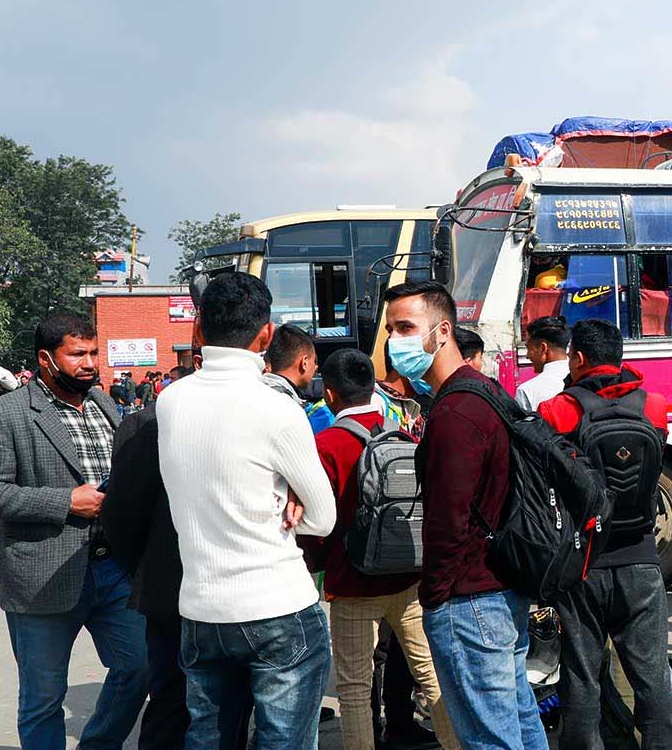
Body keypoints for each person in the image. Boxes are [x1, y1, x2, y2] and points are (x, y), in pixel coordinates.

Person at [157, 272, 337, 749]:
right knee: (285, 741)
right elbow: (322, 518)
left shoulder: (170, 401)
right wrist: (286, 496)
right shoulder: (277, 409)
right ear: (265, 335)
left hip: (201, 609)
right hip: (277, 605)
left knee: (209, 737)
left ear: (197, 331)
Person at [0, 313, 150, 749]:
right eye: (77, 354)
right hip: (42, 577)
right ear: (46, 359)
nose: (89, 363)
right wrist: (64, 501)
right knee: (43, 698)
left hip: (114, 570)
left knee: (139, 668)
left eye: (93, 352)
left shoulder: (106, 404)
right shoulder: (6, 415)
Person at [382, 280, 547, 750]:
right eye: (392, 329)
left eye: (408, 327)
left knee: (490, 738)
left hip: (469, 599)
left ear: (442, 331)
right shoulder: (484, 391)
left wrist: (434, 599)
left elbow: (448, 520)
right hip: (499, 588)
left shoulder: (456, 412)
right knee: (517, 723)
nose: (397, 340)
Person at [300, 348, 460, 750]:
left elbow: (319, 524)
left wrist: (317, 563)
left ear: (330, 395)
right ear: (373, 388)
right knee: (431, 675)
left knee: (355, 688)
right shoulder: (404, 435)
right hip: (409, 581)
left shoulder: (327, 446)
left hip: (352, 585)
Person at [536, 319, 672, 750]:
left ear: (577, 358)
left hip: (583, 563)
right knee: (652, 672)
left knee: (582, 675)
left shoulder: (556, 411)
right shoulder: (653, 405)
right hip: (641, 557)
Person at [102, 361, 255, 750]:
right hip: (178, 591)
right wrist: (147, 568)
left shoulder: (251, 412)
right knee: (182, 698)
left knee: (215, 699)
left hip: (210, 589)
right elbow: (122, 515)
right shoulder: (146, 425)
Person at [515, 316, 569, 411]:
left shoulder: (528, 391)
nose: (527, 356)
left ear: (543, 348)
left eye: (528, 348)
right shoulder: (586, 380)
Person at [262, 323, 318, 404]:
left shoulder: (254, 390)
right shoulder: (287, 404)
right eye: (314, 361)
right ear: (304, 363)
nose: (315, 367)